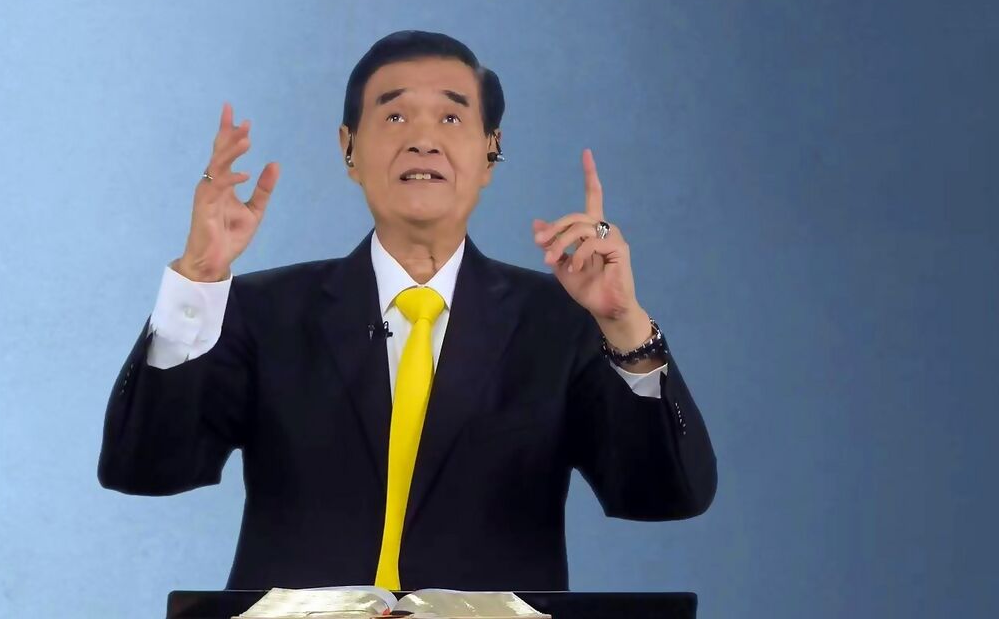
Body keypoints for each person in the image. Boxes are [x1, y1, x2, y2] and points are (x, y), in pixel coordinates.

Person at [98, 30, 716, 592]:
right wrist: (198, 281)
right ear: (349, 149)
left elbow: (666, 495)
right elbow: (145, 468)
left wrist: (624, 324)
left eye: (451, 116)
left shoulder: (561, 323)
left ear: (491, 151)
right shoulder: (262, 312)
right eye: (394, 116)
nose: (423, 139)